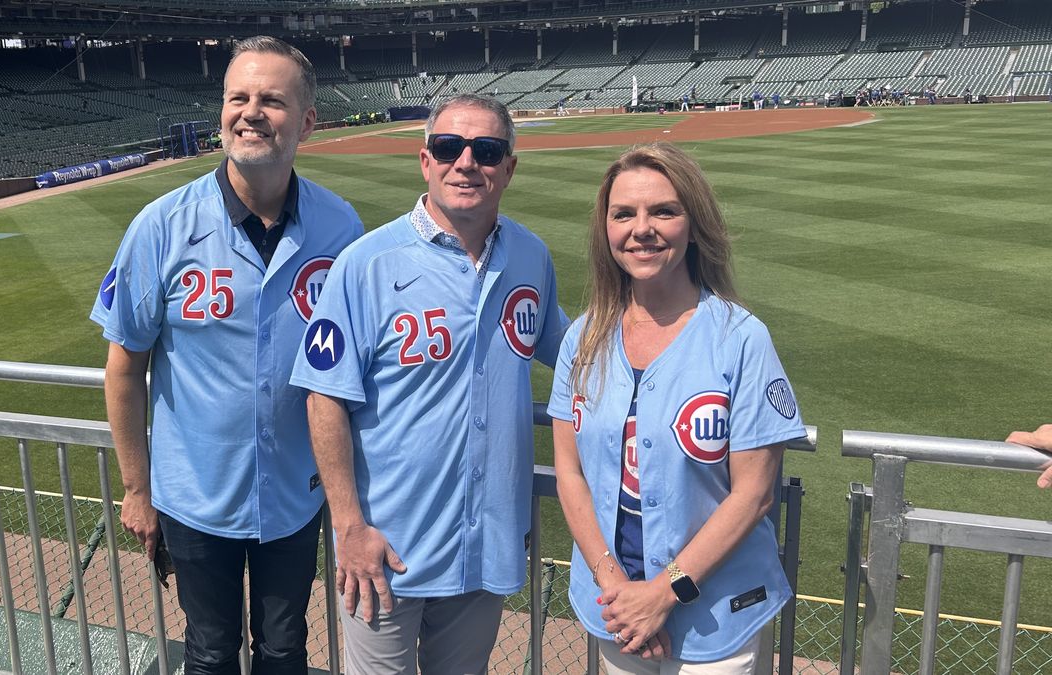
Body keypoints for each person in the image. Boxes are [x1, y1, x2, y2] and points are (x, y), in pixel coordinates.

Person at [90, 36, 363, 675]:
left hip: (297, 493)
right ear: (220, 111)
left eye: (272, 99)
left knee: (284, 649)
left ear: (307, 121)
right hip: (193, 496)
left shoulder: (340, 227)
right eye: (238, 97)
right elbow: (124, 367)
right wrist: (137, 488)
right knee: (210, 651)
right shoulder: (160, 226)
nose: (251, 112)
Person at [290, 93, 567, 674]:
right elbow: (324, 398)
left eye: (487, 150)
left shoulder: (529, 256)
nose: (467, 162)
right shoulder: (366, 264)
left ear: (509, 168)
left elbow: (574, 353)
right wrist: (349, 527)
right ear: (426, 160)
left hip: (485, 546)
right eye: (449, 147)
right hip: (386, 551)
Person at [547, 143, 806, 674]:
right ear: (606, 229)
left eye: (663, 210)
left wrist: (663, 594)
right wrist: (614, 585)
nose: (642, 228)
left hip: (717, 614)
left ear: (694, 224)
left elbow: (754, 493)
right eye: (624, 214)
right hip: (615, 608)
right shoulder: (583, 337)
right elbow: (570, 472)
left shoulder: (740, 338)